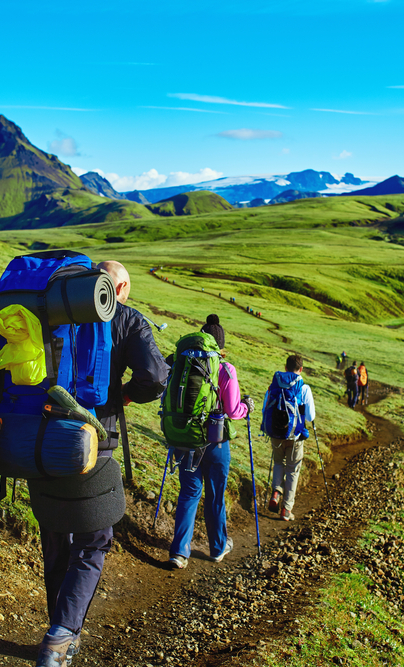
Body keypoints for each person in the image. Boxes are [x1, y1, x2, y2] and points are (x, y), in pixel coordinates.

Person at [34, 260, 169, 667]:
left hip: (40, 441)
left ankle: (59, 629)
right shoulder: (127, 318)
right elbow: (156, 377)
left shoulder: (53, 307)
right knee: (93, 542)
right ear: (121, 286)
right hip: (95, 443)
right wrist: (123, 395)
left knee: (55, 539)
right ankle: (60, 638)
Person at [168, 316, 254, 570]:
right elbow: (233, 410)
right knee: (215, 496)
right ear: (220, 345)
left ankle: (179, 552)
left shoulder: (183, 363)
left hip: (184, 438)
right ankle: (218, 547)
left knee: (189, 493)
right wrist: (246, 407)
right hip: (216, 443)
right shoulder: (225, 369)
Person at [262, 354, 316, 521]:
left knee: (279, 462)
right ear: (301, 370)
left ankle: (276, 492)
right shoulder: (304, 388)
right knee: (292, 470)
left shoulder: (274, 385)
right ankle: (286, 509)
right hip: (295, 436)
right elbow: (310, 416)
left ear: (285, 367)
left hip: (276, 433)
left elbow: (265, 408)